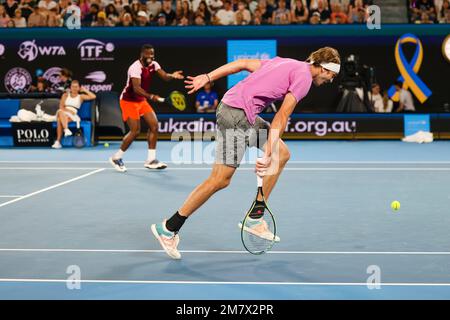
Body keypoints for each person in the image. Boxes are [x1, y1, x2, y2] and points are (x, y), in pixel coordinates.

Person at [151, 47, 341, 259]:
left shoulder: (284, 62)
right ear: (324, 69)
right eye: (331, 76)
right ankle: (168, 228)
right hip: (237, 115)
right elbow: (282, 115)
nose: (330, 81)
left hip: (237, 110)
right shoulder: (304, 78)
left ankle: (255, 216)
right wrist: (268, 152)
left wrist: (207, 76)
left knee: (282, 154)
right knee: (219, 180)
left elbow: (241, 63)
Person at [109, 44, 184, 172]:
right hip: (128, 101)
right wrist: (152, 96)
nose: (150, 57)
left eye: (152, 54)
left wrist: (172, 75)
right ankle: (116, 157)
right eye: (148, 54)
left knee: (154, 126)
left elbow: (165, 76)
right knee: (135, 131)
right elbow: (136, 89)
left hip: (141, 101)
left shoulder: (154, 64)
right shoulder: (135, 67)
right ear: (142, 54)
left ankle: (151, 160)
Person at [52, 80, 96, 149]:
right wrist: (67, 111)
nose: (74, 88)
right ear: (70, 87)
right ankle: (66, 129)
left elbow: (93, 96)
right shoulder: (65, 95)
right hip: (63, 112)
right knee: (61, 112)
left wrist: (85, 90)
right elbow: (61, 106)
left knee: (59, 119)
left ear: (79, 88)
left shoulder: (81, 96)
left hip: (73, 116)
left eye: (76, 87)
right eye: (73, 86)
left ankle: (58, 142)